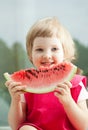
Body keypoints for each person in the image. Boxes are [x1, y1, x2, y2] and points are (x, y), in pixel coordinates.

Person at [5, 17, 88, 130]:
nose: (47, 55)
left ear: (65, 53)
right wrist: (16, 100)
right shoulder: (25, 87)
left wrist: (68, 101)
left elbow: (84, 126)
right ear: (30, 55)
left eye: (54, 49)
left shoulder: (76, 84)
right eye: (39, 49)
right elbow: (16, 126)